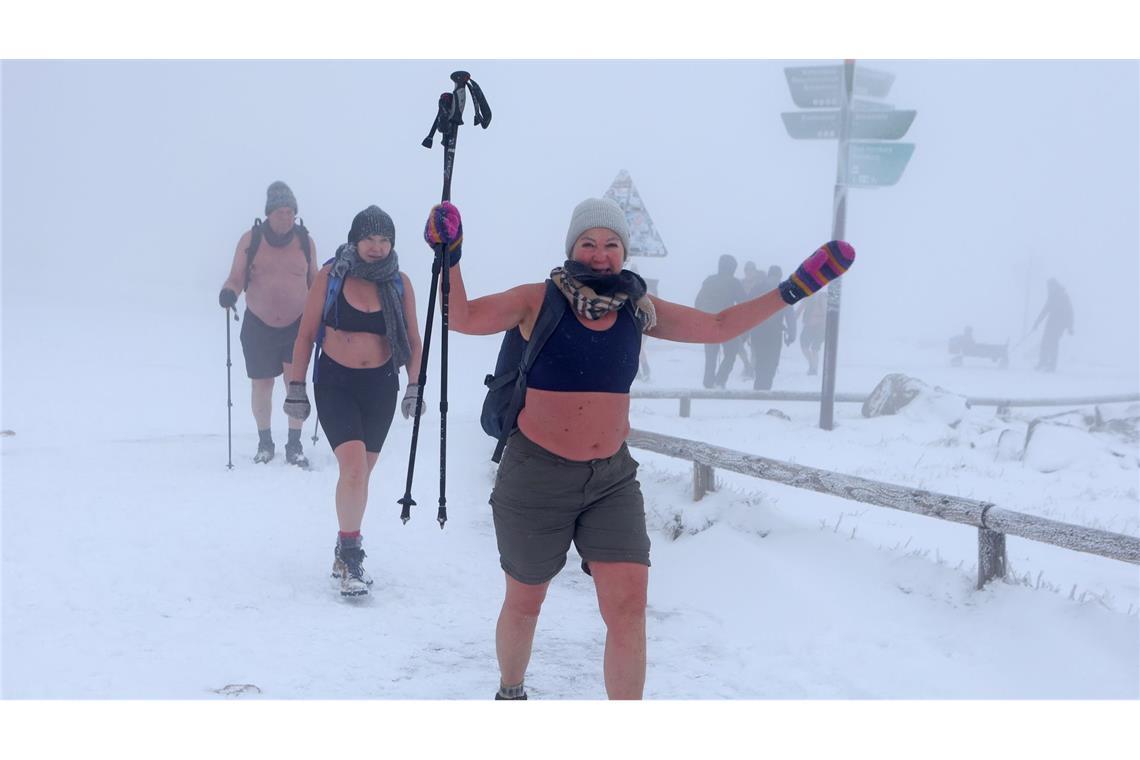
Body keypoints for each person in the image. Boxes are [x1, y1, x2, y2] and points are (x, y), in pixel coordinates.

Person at [424, 198, 854, 699]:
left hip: (610, 479)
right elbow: (464, 316)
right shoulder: (537, 299)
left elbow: (718, 327)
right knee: (525, 601)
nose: (600, 253)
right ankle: (511, 691)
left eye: (611, 244)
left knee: (628, 607)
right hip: (536, 474)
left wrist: (793, 290)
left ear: (624, 252)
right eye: (588, 243)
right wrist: (447, 256)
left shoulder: (638, 309)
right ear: (571, 248)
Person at [282, 206, 423, 597]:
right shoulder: (332, 276)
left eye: (384, 240)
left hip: (380, 386)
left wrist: (414, 386)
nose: (377, 247)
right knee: (355, 470)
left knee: (360, 474)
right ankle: (350, 553)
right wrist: (296, 386)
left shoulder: (398, 283)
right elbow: (306, 334)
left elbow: (413, 340)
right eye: (369, 239)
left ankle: (344, 542)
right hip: (336, 383)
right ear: (354, 240)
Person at [218, 181, 318, 467]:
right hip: (258, 324)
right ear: (269, 213)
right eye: (280, 212)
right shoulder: (251, 240)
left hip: (296, 325)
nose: (285, 217)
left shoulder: (305, 242)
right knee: (261, 385)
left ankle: (294, 444)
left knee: (294, 384)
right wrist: (229, 292)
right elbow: (236, 277)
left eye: (290, 212)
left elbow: (315, 281)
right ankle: (265, 443)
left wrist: (325, 309)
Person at [694, 254, 747, 388]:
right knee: (731, 353)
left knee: (710, 356)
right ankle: (720, 380)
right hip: (727, 324)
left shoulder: (709, 281)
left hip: (709, 323)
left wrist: (702, 318)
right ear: (732, 268)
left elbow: (698, 302)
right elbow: (744, 304)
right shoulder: (734, 283)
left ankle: (708, 384)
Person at [748, 265, 797, 390]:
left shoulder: (756, 288)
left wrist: (745, 330)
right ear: (780, 276)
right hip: (774, 332)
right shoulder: (783, 290)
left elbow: (747, 308)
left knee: (760, 360)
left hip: (757, 330)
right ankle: (766, 388)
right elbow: (789, 313)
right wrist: (792, 334)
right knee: (772, 361)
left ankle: (758, 388)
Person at [1032, 278, 1074, 372]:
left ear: (1055, 285)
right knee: (1044, 343)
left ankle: (1052, 366)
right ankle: (1043, 362)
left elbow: (1070, 312)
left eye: (1051, 286)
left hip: (1060, 324)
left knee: (1053, 344)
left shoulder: (1063, 296)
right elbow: (1045, 311)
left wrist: (1070, 327)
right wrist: (1036, 323)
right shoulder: (1051, 297)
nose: (1049, 288)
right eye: (1048, 286)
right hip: (1051, 323)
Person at [797, 286, 827, 375]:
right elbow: (800, 309)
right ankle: (813, 367)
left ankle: (813, 368)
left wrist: (793, 318)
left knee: (810, 348)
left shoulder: (817, 297)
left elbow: (799, 310)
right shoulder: (816, 297)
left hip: (815, 327)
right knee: (812, 348)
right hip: (817, 327)